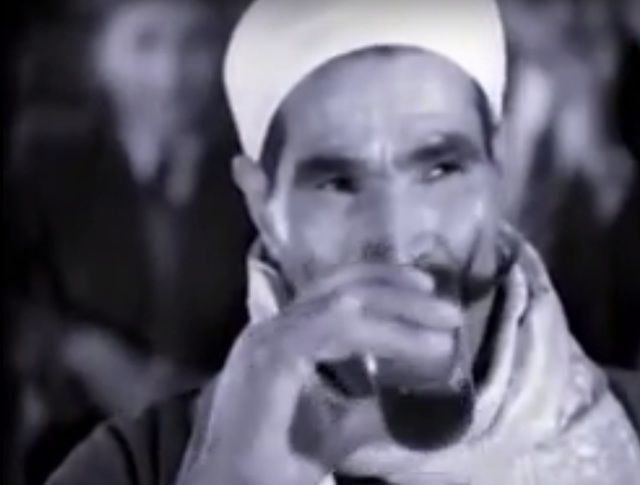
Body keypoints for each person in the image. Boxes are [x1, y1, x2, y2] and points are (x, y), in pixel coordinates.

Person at [46, 1, 640, 484]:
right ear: (262, 205)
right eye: (337, 183)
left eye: (441, 169)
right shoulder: (135, 466)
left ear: (500, 170)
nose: (398, 238)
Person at [6, 0, 253, 483]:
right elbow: (19, 298)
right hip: (75, 437)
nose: (171, 74)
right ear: (101, 55)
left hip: (218, 439)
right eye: (146, 44)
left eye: (195, 44)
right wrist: (80, 350)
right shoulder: (47, 159)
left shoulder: (251, 171)